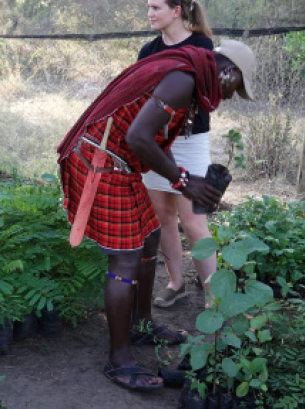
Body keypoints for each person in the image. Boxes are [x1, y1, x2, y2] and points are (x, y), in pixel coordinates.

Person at [57, 39, 257, 392]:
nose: (229, 96)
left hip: (120, 162)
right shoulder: (184, 80)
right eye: (235, 87)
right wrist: (182, 180)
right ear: (228, 71)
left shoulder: (188, 75)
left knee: (149, 235)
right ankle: (119, 359)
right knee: (125, 258)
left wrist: (184, 179)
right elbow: (138, 136)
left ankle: (141, 325)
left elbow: (150, 136)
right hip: (101, 160)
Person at [136, 0, 224, 311]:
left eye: (155, 7)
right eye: (148, 7)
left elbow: (207, 96)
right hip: (156, 145)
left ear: (176, 11)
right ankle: (176, 283)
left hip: (190, 141)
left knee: (194, 221)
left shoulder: (202, 45)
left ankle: (214, 295)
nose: (149, 13)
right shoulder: (148, 51)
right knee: (163, 217)